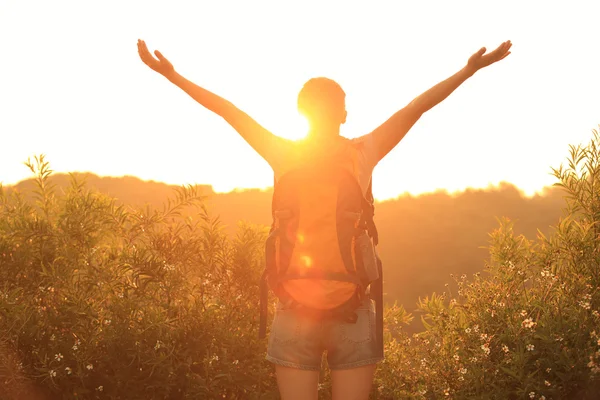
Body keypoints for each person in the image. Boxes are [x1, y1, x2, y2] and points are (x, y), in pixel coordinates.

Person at [137, 38, 512, 400]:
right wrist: (468, 70)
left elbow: (228, 110)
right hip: (352, 307)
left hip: (294, 306)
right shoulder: (363, 152)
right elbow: (415, 108)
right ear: (344, 114)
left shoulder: (282, 153)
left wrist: (173, 75)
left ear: (301, 113)